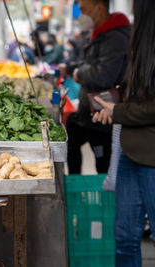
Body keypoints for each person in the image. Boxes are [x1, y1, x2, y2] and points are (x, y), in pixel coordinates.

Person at [92, 1, 155, 265]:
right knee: (125, 236)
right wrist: (115, 103)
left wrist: (118, 111)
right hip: (131, 152)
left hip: (151, 159)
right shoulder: (140, 40)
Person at [62, 0, 130, 174]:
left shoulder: (115, 37)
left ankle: (102, 197)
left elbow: (104, 74)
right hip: (89, 111)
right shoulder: (99, 34)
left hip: (103, 115)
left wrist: (79, 73)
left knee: (103, 165)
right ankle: (75, 187)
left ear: (99, 8)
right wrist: (71, 69)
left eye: (84, 10)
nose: (81, 15)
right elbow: (90, 63)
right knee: (70, 135)